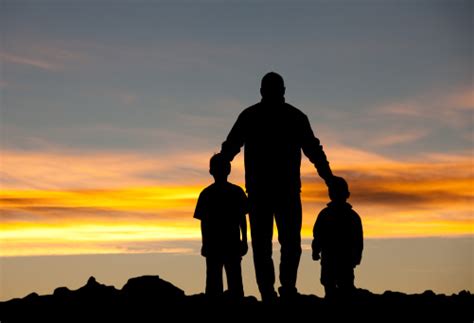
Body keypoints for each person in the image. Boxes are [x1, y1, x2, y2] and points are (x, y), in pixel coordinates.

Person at [220, 72, 334, 301]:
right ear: (280, 90)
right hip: (272, 190)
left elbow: (313, 150)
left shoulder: (262, 116)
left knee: (281, 243)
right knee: (276, 244)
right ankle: (275, 290)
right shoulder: (285, 116)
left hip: (279, 190)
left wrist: (329, 177)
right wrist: (328, 178)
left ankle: (280, 289)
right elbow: (230, 147)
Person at [194, 153, 249, 298]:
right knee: (223, 282)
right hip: (222, 245)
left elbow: (241, 218)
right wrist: (244, 240)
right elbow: (242, 219)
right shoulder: (234, 192)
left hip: (224, 244)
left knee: (224, 283)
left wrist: (244, 240)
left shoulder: (207, 194)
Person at [312, 176, 363, 300]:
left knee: (342, 287)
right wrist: (315, 250)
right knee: (332, 286)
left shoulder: (328, 214)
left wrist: (356, 256)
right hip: (333, 259)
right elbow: (318, 235)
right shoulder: (351, 216)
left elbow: (358, 239)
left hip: (343, 259)